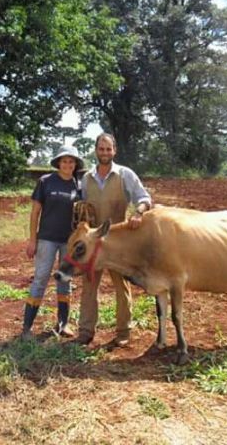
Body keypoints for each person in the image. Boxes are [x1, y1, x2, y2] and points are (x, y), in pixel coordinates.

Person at [76, 133, 151, 346]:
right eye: (101, 149)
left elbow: (144, 198)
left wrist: (138, 213)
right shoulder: (86, 178)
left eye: (108, 149)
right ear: (95, 150)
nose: (105, 153)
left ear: (114, 151)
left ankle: (123, 332)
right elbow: (81, 206)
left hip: (117, 243)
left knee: (121, 286)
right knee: (89, 285)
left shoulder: (125, 174)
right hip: (92, 243)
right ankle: (85, 331)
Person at [21, 145, 83, 340]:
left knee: (64, 280)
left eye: (71, 161)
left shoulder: (78, 186)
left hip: (68, 242)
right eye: (64, 161)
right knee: (40, 279)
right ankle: (27, 328)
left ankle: (63, 324)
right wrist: (33, 239)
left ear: (75, 164)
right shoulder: (46, 182)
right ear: (58, 163)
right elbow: (35, 213)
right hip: (46, 239)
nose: (68, 164)